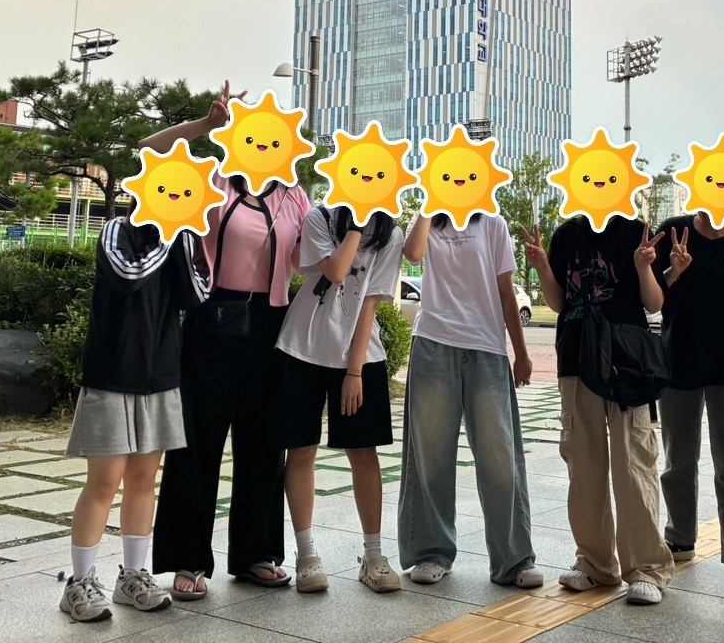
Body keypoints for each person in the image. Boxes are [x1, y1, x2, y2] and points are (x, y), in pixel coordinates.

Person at [147, 84, 313, 599]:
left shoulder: (294, 195)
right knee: (197, 443)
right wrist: (205, 127)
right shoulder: (215, 181)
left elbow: (307, 261)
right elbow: (150, 153)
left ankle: (255, 554)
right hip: (213, 319)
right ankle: (188, 559)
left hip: (272, 324)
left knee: (264, 443)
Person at [58, 215, 210, 622]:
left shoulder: (182, 237)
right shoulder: (117, 229)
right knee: (105, 481)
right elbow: (128, 274)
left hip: (161, 376)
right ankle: (79, 583)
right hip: (111, 375)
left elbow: (197, 292)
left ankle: (133, 576)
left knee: (144, 480)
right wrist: (166, 237)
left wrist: (184, 237)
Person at [523, 215, 674, 606]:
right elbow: (559, 303)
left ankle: (646, 568)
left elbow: (654, 302)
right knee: (583, 462)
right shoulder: (567, 234)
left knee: (633, 461)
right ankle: (595, 562)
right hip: (576, 359)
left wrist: (643, 266)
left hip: (628, 361)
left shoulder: (635, 231)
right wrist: (542, 267)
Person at [397, 212, 543, 590]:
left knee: (500, 457)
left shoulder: (493, 223)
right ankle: (431, 553)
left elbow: (505, 291)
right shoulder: (429, 221)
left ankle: (514, 559)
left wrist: (521, 353)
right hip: (433, 343)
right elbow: (413, 254)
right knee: (430, 456)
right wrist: (429, 204)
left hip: (486, 347)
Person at [280, 205, 404, 594]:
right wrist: (356, 224)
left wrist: (354, 371)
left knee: (364, 452)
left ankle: (374, 555)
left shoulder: (391, 233)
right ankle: (306, 554)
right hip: (302, 348)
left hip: (361, 356)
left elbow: (370, 302)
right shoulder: (320, 218)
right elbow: (335, 271)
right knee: (302, 450)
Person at [651, 211, 724, 604]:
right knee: (678, 460)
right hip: (677, 360)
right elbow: (652, 297)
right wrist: (672, 270)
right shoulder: (672, 232)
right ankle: (679, 538)